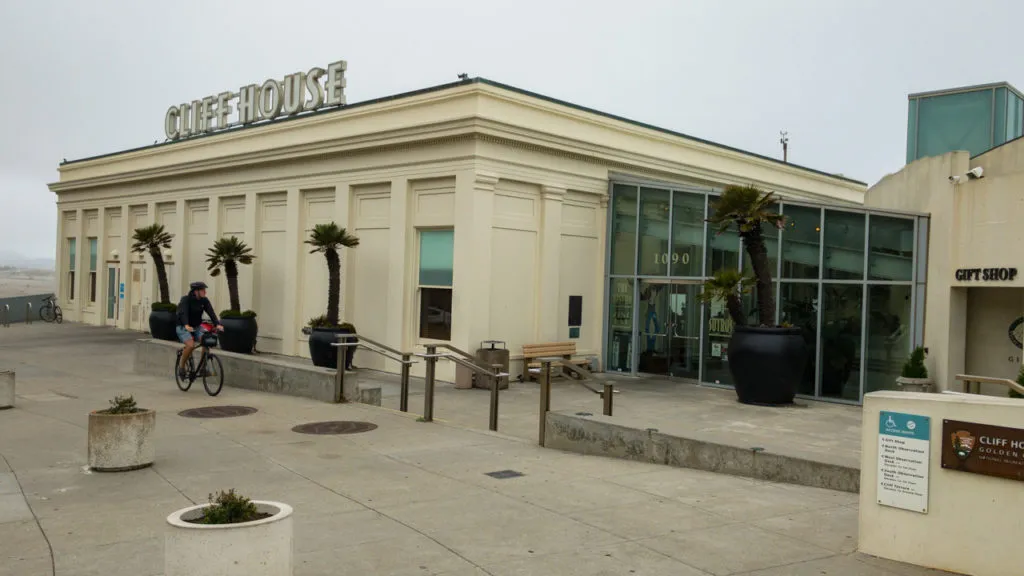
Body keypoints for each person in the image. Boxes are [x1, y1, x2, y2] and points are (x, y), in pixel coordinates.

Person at [176, 281, 223, 379]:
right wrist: (186, 324)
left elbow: (211, 312)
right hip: (182, 326)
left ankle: (202, 368)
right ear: (195, 291)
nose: (205, 292)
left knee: (206, 341)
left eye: (204, 290)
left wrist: (217, 324)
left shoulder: (204, 301)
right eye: (202, 290)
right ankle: (181, 367)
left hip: (196, 326)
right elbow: (183, 313)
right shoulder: (186, 299)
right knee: (190, 345)